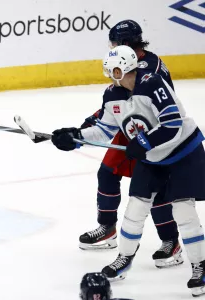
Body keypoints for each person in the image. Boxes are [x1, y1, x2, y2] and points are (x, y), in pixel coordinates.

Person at [52, 45, 205, 296]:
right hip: (153, 158)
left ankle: (200, 266)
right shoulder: (113, 95)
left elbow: (173, 122)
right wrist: (76, 136)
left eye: (112, 71)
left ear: (119, 68)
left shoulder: (152, 83)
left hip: (183, 153)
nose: (111, 76)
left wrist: (143, 142)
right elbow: (104, 129)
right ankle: (124, 258)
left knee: (184, 211)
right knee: (135, 208)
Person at [78, 19, 182, 269]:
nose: (111, 47)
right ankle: (107, 228)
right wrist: (93, 121)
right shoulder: (133, 61)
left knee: (154, 188)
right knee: (107, 172)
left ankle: (171, 242)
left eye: (114, 43)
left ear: (125, 43)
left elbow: (133, 101)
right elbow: (119, 103)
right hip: (131, 125)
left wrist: (95, 119)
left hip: (155, 131)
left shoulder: (149, 69)